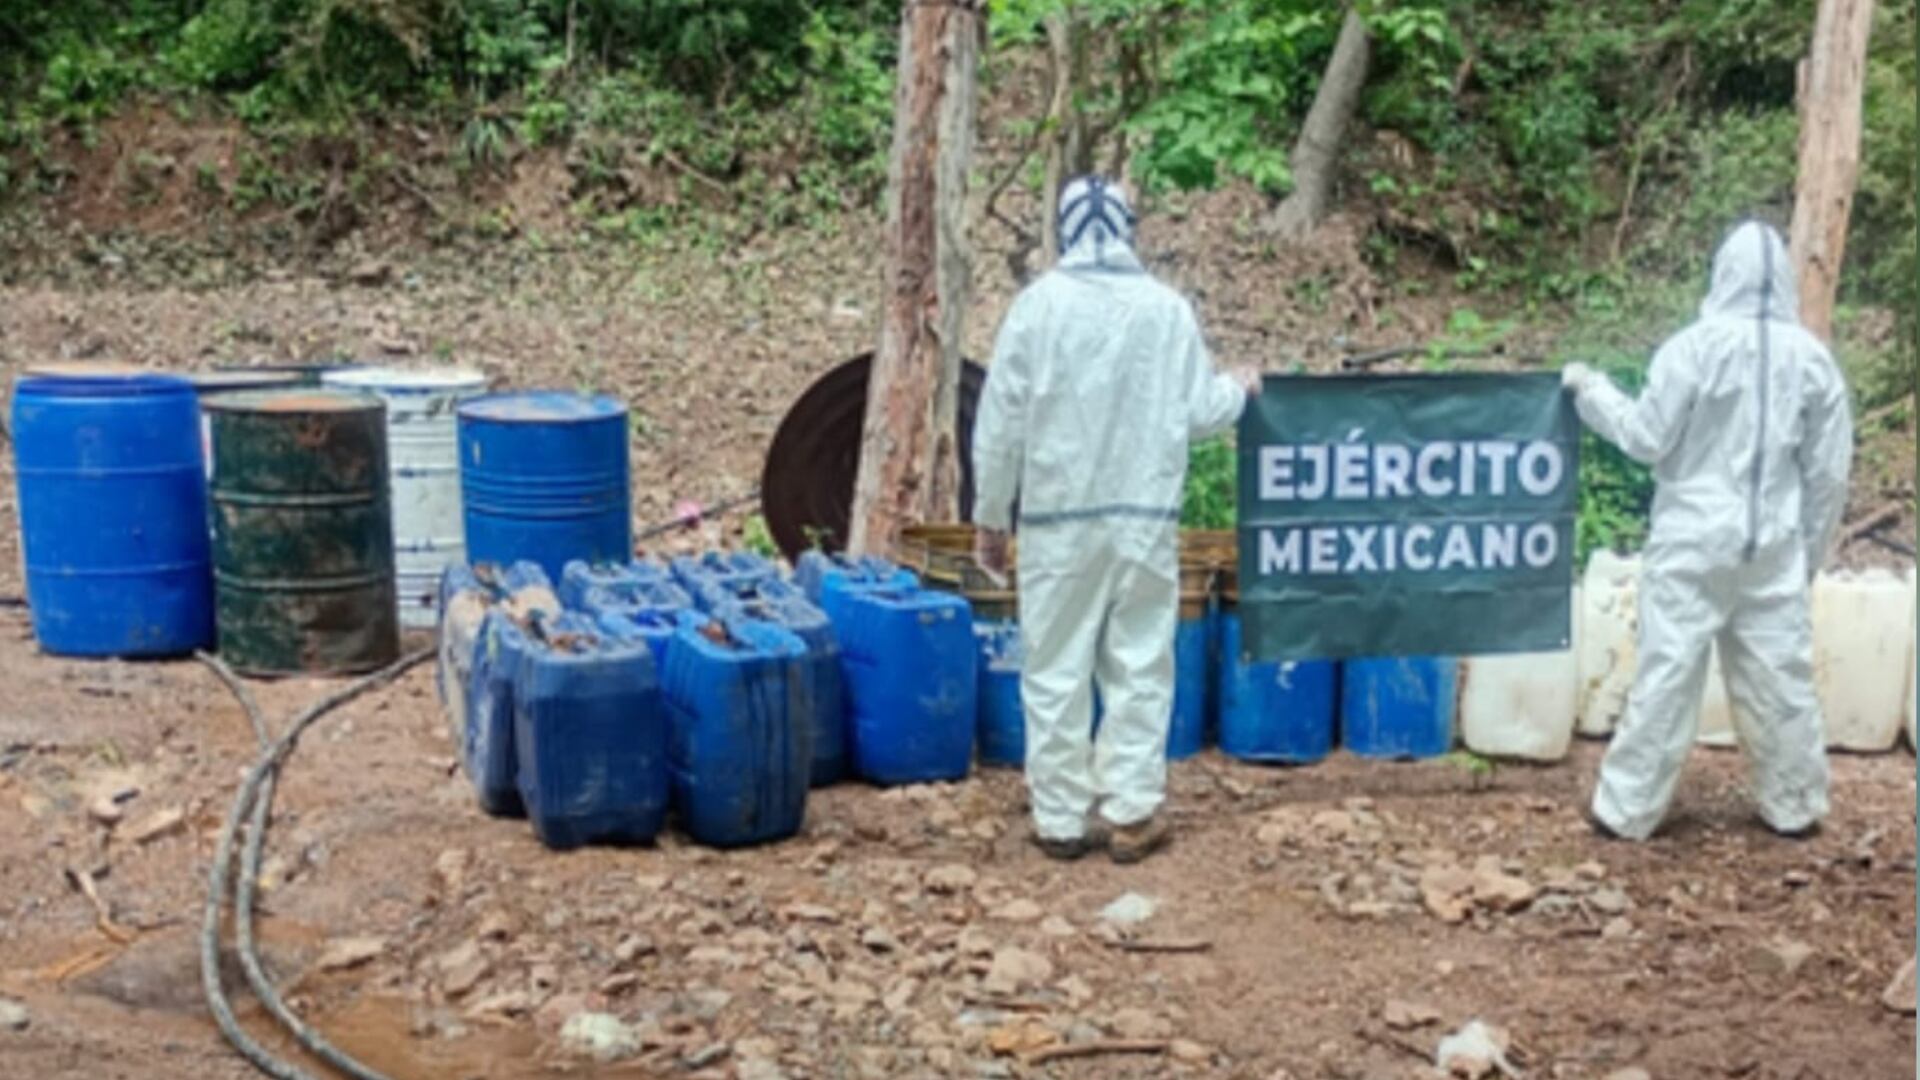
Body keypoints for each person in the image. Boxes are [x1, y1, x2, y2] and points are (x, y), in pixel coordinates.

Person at [970, 175, 1259, 863]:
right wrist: (1242, 391)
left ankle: (1061, 819)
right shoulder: (1165, 311)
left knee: (1054, 666)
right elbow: (1198, 412)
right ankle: (1132, 813)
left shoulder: (1035, 310)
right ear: (1129, 229)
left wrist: (990, 518)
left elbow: (999, 426)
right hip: (1142, 519)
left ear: (1063, 229)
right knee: (1137, 662)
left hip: (1056, 521)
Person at [1562, 219, 1853, 841]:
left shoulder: (1690, 349)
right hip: (1772, 548)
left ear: (1721, 275)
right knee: (1781, 683)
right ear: (1783, 280)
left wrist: (1592, 393)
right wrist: (1807, 557)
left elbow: (1645, 438)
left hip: (1691, 543)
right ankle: (1795, 806)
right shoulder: (1813, 362)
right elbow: (1828, 475)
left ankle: (1627, 810)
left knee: (1667, 675)